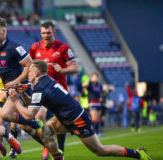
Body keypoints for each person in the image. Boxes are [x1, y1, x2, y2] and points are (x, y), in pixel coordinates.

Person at [9, 60, 152, 160]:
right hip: (65, 118)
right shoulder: (44, 82)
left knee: (99, 150)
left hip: (78, 120)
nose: (27, 73)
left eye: (30, 71)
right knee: (44, 133)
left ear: (37, 72)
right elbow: (33, 104)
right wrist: (22, 94)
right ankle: (59, 157)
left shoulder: (40, 87)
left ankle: (137, 154)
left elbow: (29, 115)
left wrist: (15, 101)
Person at [0, 17, 42, 158]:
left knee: (4, 116)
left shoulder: (15, 48)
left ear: (4, 31)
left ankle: (31, 123)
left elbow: (30, 65)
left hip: (21, 88)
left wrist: (16, 81)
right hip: (6, 90)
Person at [29, 21, 79, 159]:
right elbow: (30, 67)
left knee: (61, 121)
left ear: (54, 32)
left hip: (58, 92)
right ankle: (47, 144)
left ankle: (60, 151)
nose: (46, 35)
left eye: (48, 33)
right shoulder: (35, 47)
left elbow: (76, 68)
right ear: (40, 33)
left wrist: (62, 69)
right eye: (43, 33)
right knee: (38, 117)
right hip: (41, 90)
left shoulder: (63, 48)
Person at [83, 72, 103, 137]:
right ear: (91, 77)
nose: (95, 78)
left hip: (98, 102)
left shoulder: (99, 84)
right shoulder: (90, 84)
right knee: (94, 118)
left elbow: (101, 92)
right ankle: (92, 132)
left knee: (97, 118)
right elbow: (84, 85)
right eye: (94, 77)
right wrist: (86, 83)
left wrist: (101, 97)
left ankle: (97, 132)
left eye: (96, 77)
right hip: (92, 102)